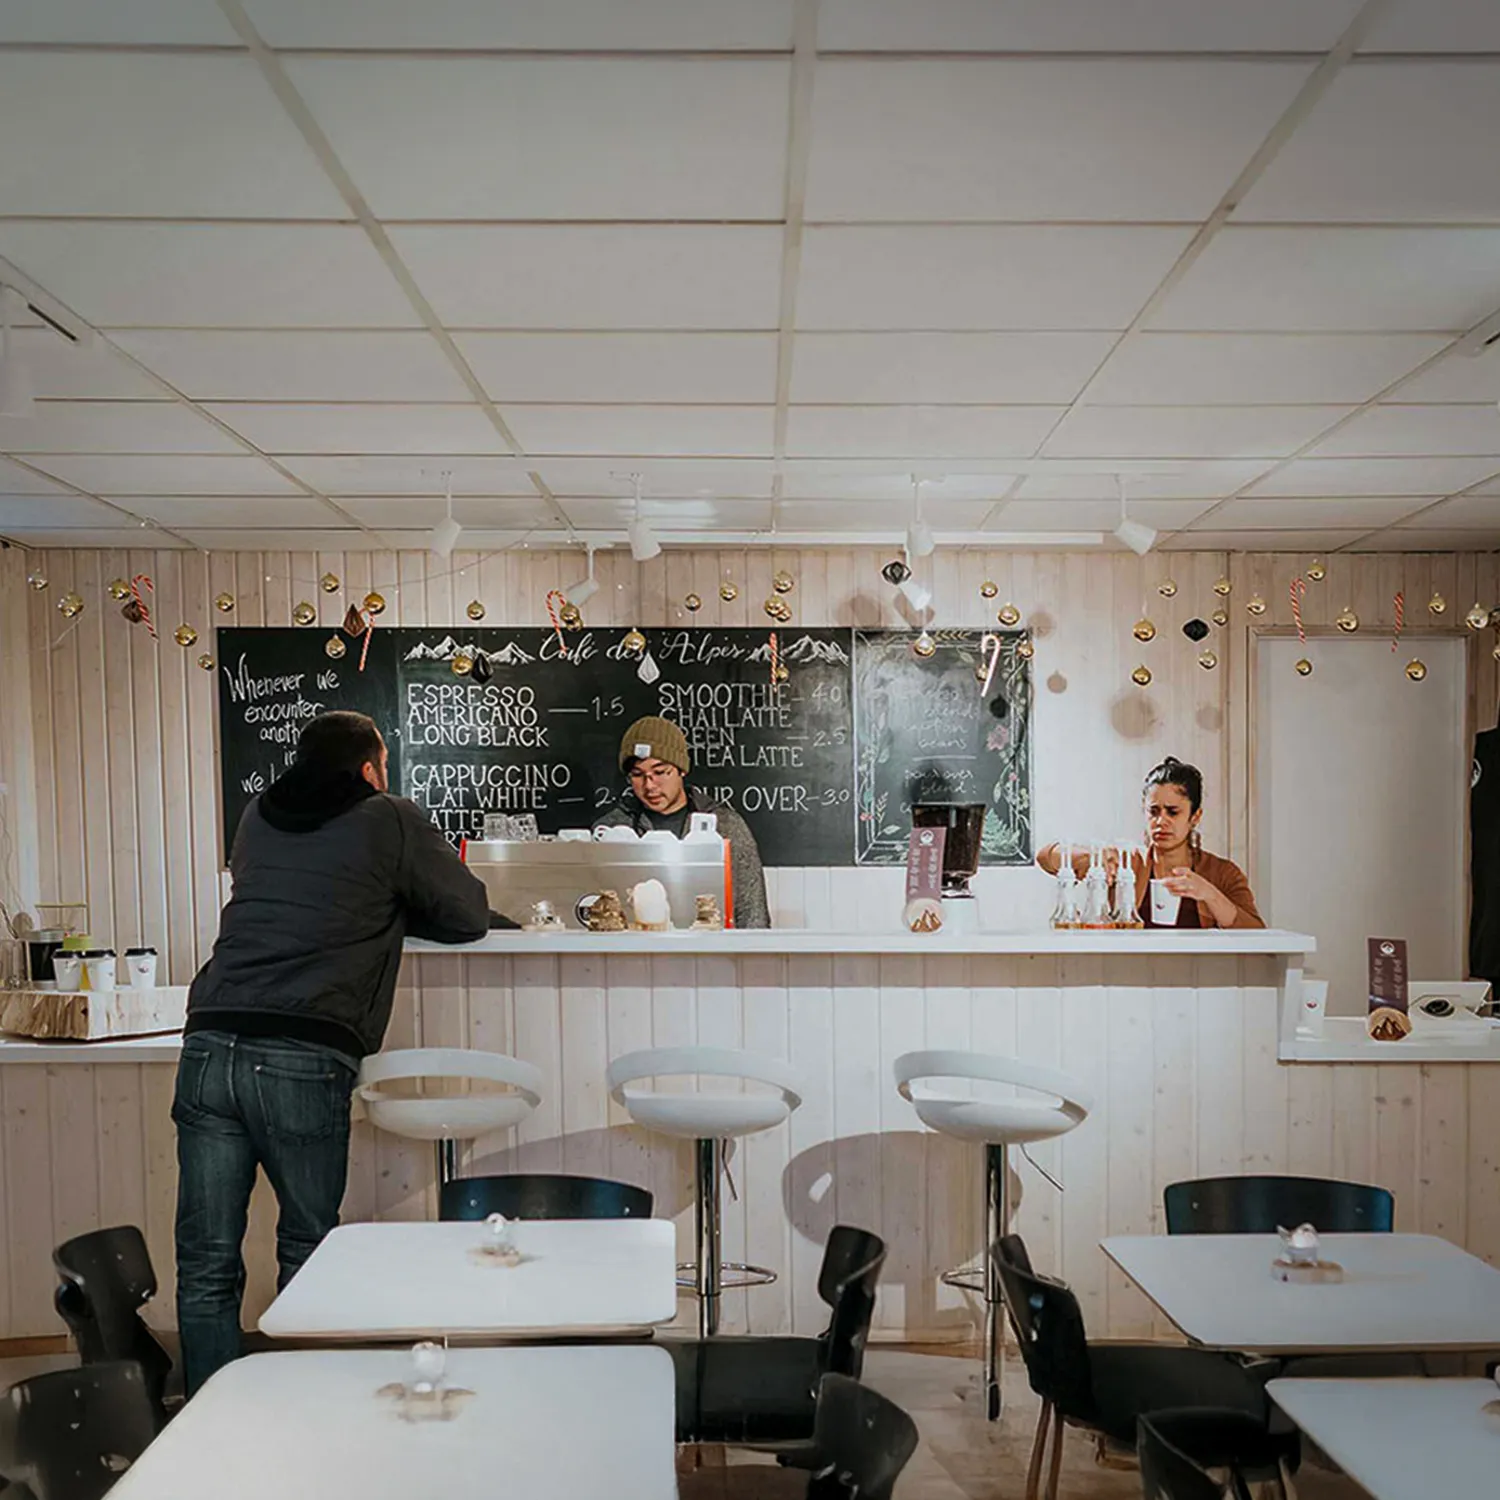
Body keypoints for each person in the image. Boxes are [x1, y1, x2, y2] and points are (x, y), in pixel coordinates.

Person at [174, 711, 492, 1395]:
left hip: (208, 1042)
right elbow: (467, 912)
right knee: (307, 1246)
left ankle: (207, 1420)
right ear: (370, 768)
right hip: (303, 1048)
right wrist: (396, 905)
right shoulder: (390, 817)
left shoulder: (256, 815)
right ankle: (307, 1409)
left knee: (205, 1259)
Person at [1037, 755, 1264, 929]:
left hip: (1200, 974)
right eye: (1154, 812)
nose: (1161, 821)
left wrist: (1210, 894)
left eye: (1173, 812)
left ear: (1195, 816)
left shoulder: (1222, 873)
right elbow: (1046, 856)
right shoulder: (1127, 862)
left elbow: (1257, 935)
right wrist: (1093, 856)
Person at [593, 715, 770, 929]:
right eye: (638, 775)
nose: (650, 785)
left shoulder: (726, 826)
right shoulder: (611, 830)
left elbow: (753, 915)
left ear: (682, 770)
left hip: (714, 947)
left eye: (660, 772)